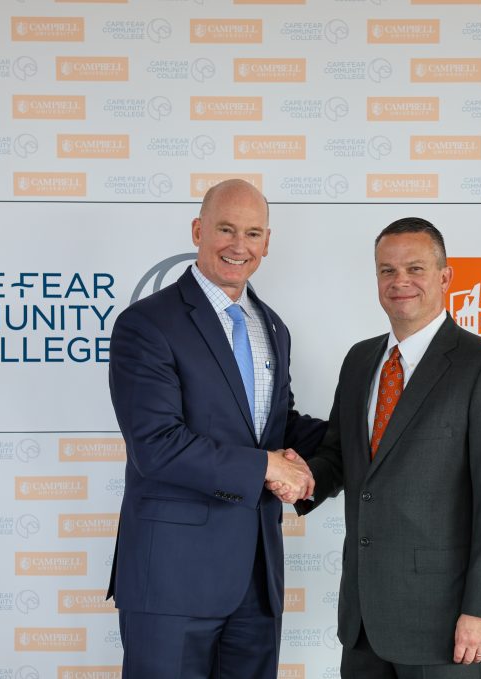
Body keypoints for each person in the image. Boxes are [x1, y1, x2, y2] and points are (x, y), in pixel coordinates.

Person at [272, 217, 481, 678]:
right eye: (387, 271)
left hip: (448, 624)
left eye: (415, 268)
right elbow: (340, 457)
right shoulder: (359, 360)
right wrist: (305, 478)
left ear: (445, 277)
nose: (400, 282)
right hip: (364, 620)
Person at [107, 179, 325, 678]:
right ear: (198, 230)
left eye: (252, 233)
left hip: (256, 577)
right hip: (171, 580)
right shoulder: (147, 324)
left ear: (267, 243)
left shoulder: (272, 326)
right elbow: (157, 446)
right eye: (225, 229)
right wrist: (266, 466)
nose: (238, 246)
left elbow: (275, 426)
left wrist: (368, 435)